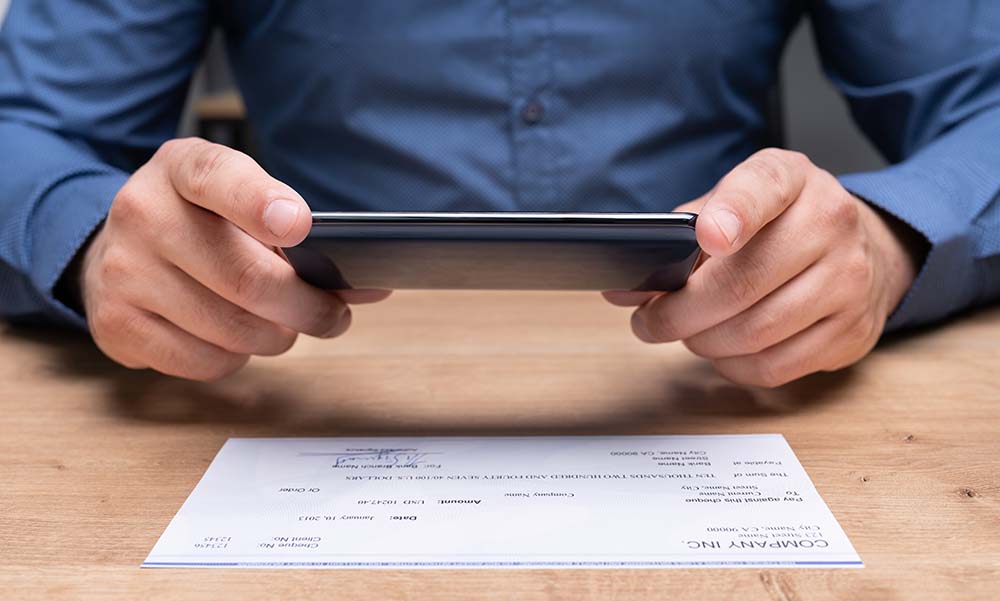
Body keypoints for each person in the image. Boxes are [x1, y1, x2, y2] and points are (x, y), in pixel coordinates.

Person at [0, 2, 997, 387]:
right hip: (297, 387)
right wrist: (91, 241)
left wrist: (889, 236)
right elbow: (25, 129)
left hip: (732, 383)